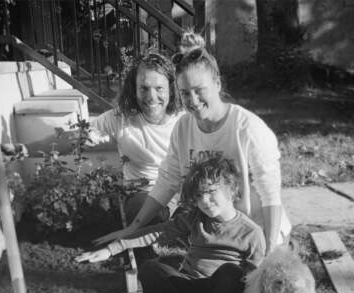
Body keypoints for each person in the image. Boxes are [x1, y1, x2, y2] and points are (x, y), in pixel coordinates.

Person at [94, 30, 291, 255]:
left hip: (255, 234)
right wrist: (132, 229)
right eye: (185, 93)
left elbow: (270, 194)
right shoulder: (184, 127)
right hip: (218, 234)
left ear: (217, 83)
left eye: (199, 91)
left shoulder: (248, 129)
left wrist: (268, 249)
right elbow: (167, 179)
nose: (193, 101)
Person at [76, 153, 266, 293]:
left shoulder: (251, 234)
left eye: (211, 192)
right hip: (188, 290)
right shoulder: (196, 218)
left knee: (232, 273)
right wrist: (113, 249)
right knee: (149, 269)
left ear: (231, 189)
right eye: (199, 196)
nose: (204, 201)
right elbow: (158, 232)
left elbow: (253, 282)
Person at [86, 51, 184, 224]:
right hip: (143, 194)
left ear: (171, 88)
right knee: (145, 209)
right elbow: (79, 137)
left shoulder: (185, 119)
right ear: (134, 88)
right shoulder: (120, 118)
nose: (151, 97)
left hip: (182, 192)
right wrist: (27, 147)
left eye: (159, 88)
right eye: (144, 88)